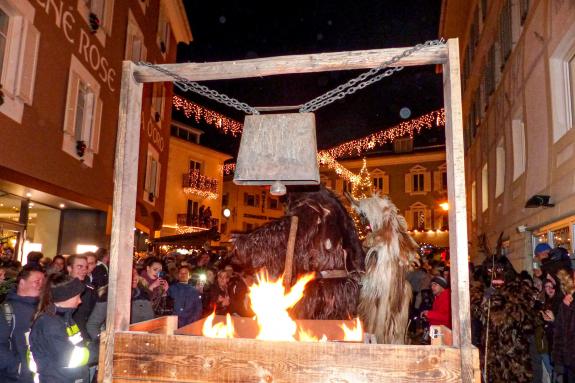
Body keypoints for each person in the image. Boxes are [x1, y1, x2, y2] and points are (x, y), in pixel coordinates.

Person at [29, 273, 97, 383]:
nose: (80, 301)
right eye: (77, 297)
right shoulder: (49, 323)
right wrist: (97, 349)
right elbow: (69, 357)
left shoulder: (67, 319)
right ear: (66, 297)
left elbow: (78, 345)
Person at [0, 265, 44, 382]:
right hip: (13, 377)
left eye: (43, 282)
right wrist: (18, 367)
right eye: (36, 281)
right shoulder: (6, 310)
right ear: (22, 283)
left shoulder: (44, 309)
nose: (41, 285)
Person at [67, 255, 97, 340]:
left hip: (81, 335)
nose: (84, 270)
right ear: (69, 268)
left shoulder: (90, 290)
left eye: (86, 267)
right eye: (80, 266)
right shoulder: (58, 288)